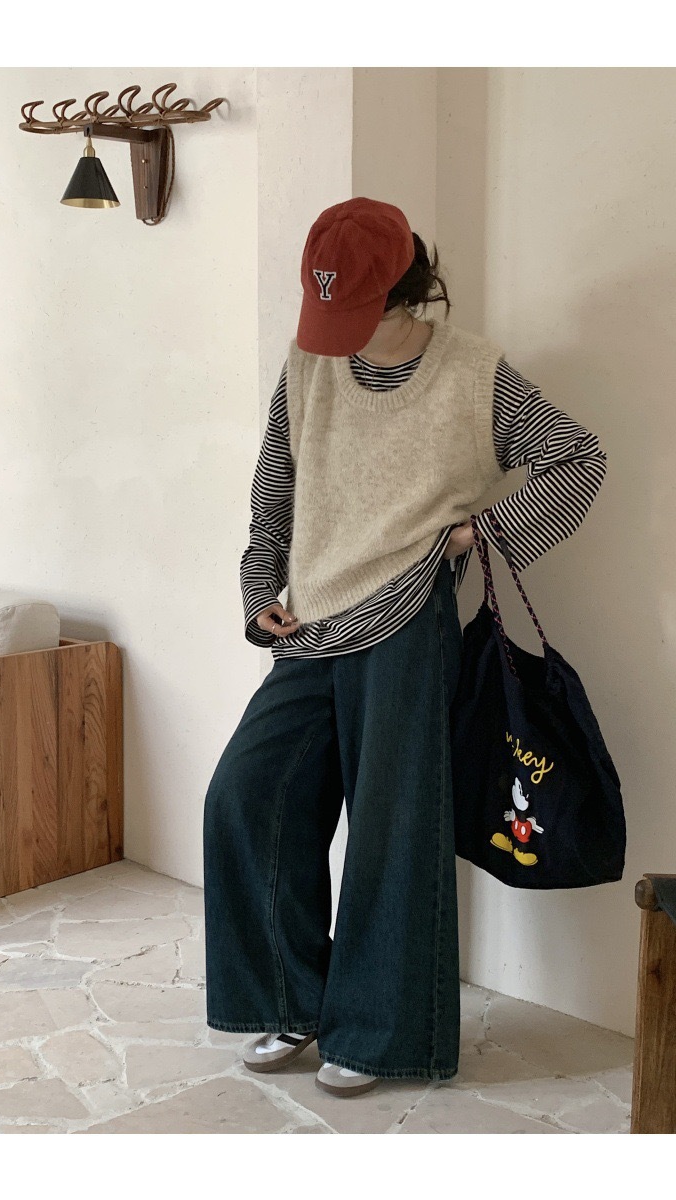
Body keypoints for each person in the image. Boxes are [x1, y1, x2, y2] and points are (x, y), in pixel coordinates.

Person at [202, 197, 608, 1098]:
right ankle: (292, 999)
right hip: (312, 624)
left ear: (404, 288)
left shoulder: (474, 374)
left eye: (356, 311)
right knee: (246, 797)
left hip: (407, 618)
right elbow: (275, 492)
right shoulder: (308, 366)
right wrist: (259, 592)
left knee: (392, 829)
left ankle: (382, 1034)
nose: (336, 333)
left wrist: (477, 533)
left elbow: (577, 458)